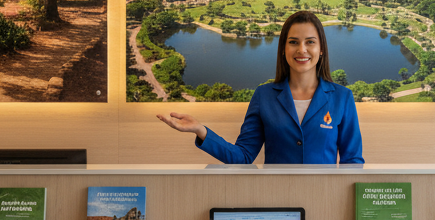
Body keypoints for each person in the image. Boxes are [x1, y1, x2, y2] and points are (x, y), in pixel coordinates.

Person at [156, 10, 363, 164]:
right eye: (293, 42)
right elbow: (243, 156)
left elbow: (352, 162)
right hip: (277, 206)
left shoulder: (342, 98)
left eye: (310, 42)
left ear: (321, 49)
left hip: (324, 203)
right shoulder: (264, 96)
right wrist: (201, 131)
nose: (302, 50)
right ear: (283, 49)